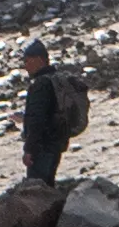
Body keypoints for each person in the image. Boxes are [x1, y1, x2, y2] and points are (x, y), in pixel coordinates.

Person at [17, 41, 88, 183]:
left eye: (27, 61)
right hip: (57, 142)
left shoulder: (41, 84)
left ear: (39, 60)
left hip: (42, 146)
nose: (25, 66)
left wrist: (29, 149)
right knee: (47, 183)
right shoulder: (55, 80)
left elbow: (37, 119)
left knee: (38, 189)